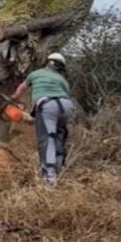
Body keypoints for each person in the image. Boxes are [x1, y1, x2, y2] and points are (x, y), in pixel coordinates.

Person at [10, 52, 75, 186]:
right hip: (67, 107)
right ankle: (59, 169)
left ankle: (49, 178)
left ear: (48, 63)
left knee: (47, 139)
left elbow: (21, 89)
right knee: (58, 136)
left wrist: (14, 98)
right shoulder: (62, 80)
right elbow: (63, 95)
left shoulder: (36, 74)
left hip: (47, 106)